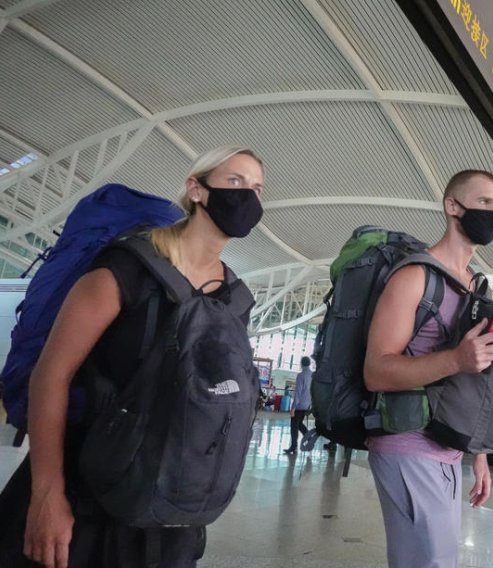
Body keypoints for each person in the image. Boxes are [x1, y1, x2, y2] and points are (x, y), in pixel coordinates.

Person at [0, 146, 265, 568]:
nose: (247, 196)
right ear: (196, 189)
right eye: (235, 181)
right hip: (86, 493)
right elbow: (51, 375)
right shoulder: (127, 269)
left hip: (166, 510)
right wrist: (46, 495)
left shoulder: (233, 300)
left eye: (257, 188)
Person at [363, 169, 493, 568]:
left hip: (448, 448)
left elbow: (475, 381)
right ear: (452, 206)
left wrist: (479, 454)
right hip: (406, 442)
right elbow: (376, 371)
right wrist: (457, 358)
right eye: (484, 202)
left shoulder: (476, 286)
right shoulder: (414, 277)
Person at [284, 356, 312, 455]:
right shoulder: (312, 376)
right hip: (307, 405)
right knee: (299, 424)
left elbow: (298, 392)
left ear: (301, 363)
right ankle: (309, 438)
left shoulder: (301, 375)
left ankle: (293, 447)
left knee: (294, 427)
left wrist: (293, 407)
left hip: (299, 405)